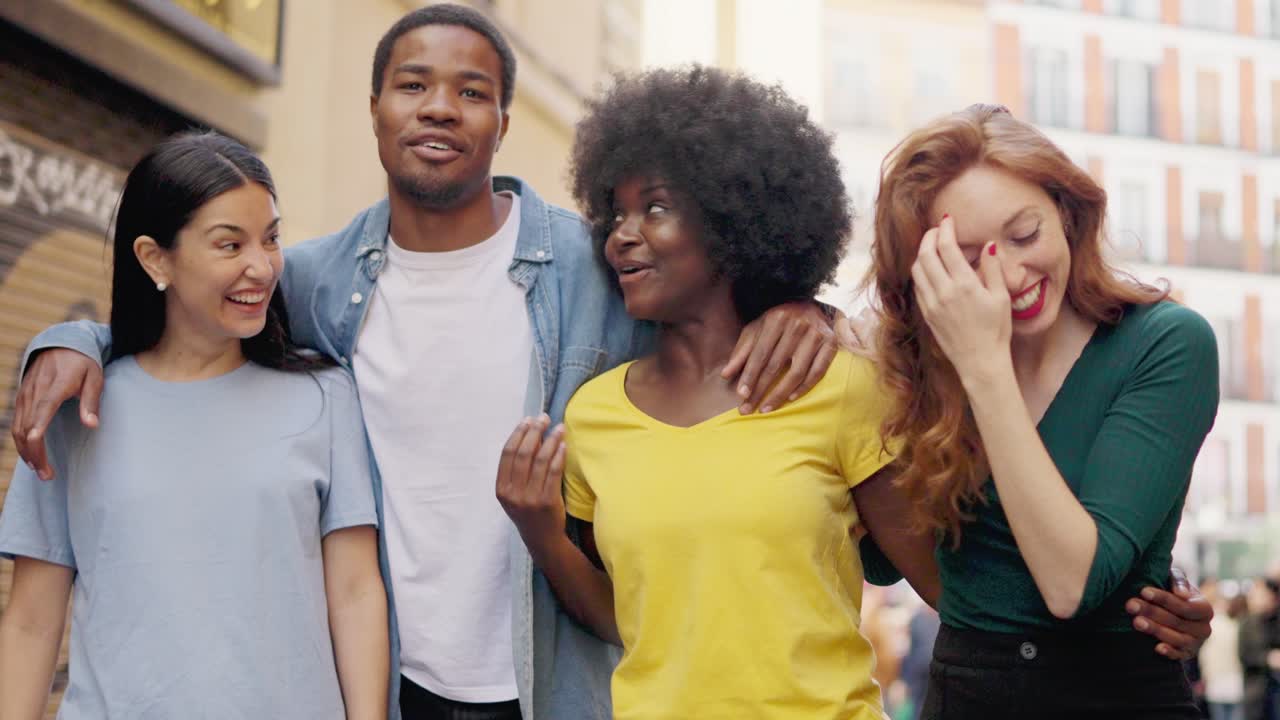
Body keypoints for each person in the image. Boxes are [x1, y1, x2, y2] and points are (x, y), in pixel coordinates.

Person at [6, 6, 840, 720]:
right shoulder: (316, 277)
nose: (439, 108)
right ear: (374, 109)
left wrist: (804, 306)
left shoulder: (594, 268)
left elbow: (707, 301)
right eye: (413, 86)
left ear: (504, 122)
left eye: (471, 92)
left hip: (553, 677)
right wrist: (72, 342)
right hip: (392, 678)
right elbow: (185, 320)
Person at [496, 65, 897, 719]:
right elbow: (627, 620)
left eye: (655, 207)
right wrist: (543, 535)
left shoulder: (838, 384)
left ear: (733, 222)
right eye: (617, 212)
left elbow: (945, 585)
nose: (623, 233)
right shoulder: (594, 416)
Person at [0, 132, 388, 719]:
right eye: (229, 245)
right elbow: (31, 621)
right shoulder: (76, 408)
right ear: (156, 259)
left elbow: (356, 593)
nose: (261, 266)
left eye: (272, 238)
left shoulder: (325, 397)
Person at [860, 103, 1219, 719]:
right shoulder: (908, 370)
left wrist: (985, 367)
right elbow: (904, 567)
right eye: (968, 260)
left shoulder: (1164, 343)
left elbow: (1069, 587)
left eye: (1025, 235)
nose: (1009, 276)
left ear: (1068, 215)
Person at [1200, 585, 1246, 720]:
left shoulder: (1213, 625)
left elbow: (1205, 656)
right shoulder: (1238, 626)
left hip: (1217, 683)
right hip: (1235, 683)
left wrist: (1205, 675)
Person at [1240, 578, 1280, 720]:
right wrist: (1268, 658)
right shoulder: (1248, 623)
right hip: (1256, 692)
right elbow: (1244, 655)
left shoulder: (1275, 620)